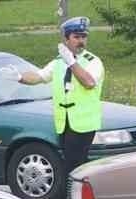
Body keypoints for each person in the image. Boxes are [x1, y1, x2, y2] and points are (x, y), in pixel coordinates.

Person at [8, 16, 104, 184]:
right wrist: (19, 77)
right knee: (71, 164)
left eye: (83, 36)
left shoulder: (92, 62)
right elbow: (39, 76)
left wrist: (72, 62)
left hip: (83, 123)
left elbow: (88, 82)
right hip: (64, 123)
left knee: (75, 165)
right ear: (66, 39)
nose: (81, 41)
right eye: (76, 37)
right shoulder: (59, 62)